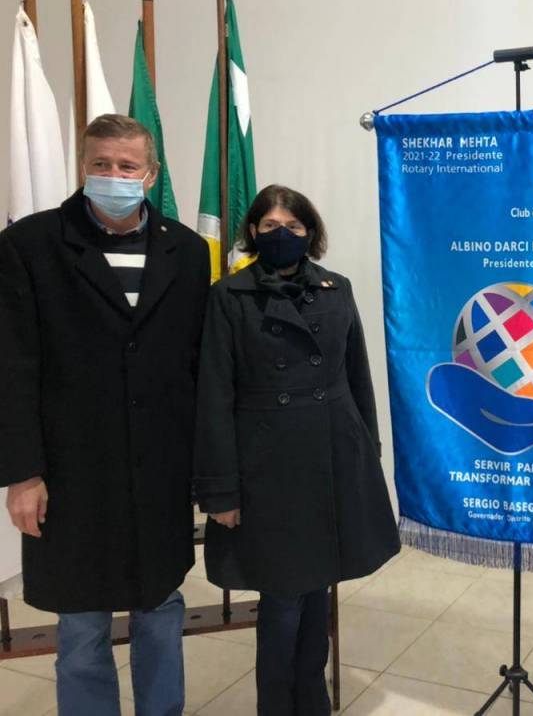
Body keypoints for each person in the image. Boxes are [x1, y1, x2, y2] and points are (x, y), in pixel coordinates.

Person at [0, 114, 210, 715]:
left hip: (159, 468)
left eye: (126, 166)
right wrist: (23, 474)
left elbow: (197, 364)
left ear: (151, 173)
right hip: (72, 473)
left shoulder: (188, 251)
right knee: (83, 624)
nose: (113, 175)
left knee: (161, 609)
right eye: (101, 164)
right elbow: (12, 367)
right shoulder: (29, 245)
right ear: (83, 166)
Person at [193, 184, 400, 715]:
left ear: (310, 233)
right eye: (270, 226)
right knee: (282, 600)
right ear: (253, 232)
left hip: (331, 456)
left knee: (316, 594)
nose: (281, 234)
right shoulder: (229, 296)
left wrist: (366, 454)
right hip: (267, 468)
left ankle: (313, 702)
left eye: (293, 226)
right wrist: (220, 491)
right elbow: (214, 395)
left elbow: (357, 376)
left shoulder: (337, 288)